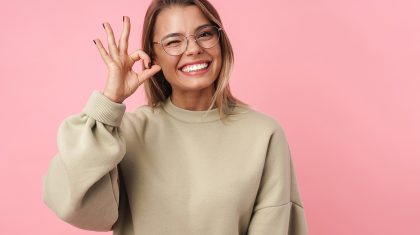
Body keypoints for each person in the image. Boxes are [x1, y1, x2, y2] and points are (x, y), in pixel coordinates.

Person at [42, 0, 308, 234]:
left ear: (221, 42)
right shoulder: (125, 133)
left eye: (204, 34)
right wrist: (109, 102)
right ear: (152, 56)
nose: (193, 49)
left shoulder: (264, 134)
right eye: (173, 41)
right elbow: (71, 201)